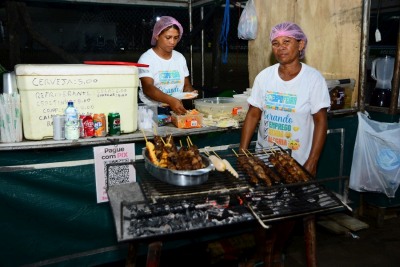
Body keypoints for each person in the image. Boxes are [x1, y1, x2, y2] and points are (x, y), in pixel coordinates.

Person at [239, 22, 330, 267]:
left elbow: (321, 122)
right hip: (264, 158)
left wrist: (312, 161)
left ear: (300, 45)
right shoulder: (264, 77)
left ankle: (276, 251)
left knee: (288, 212)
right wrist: (243, 151)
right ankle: (261, 251)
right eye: (276, 43)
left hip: (297, 160)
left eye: (287, 42)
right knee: (260, 210)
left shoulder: (313, 79)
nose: (280, 48)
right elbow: (253, 114)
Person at [138, 16, 197, 115]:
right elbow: (148, 88)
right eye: (168, 37)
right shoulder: (146, 59)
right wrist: (171, 100)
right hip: (152, 110)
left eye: (176, 38)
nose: (172, 42)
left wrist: (189, 92)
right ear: (157, 36)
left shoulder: (180, 58)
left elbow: (186, 84)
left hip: (176, 107)